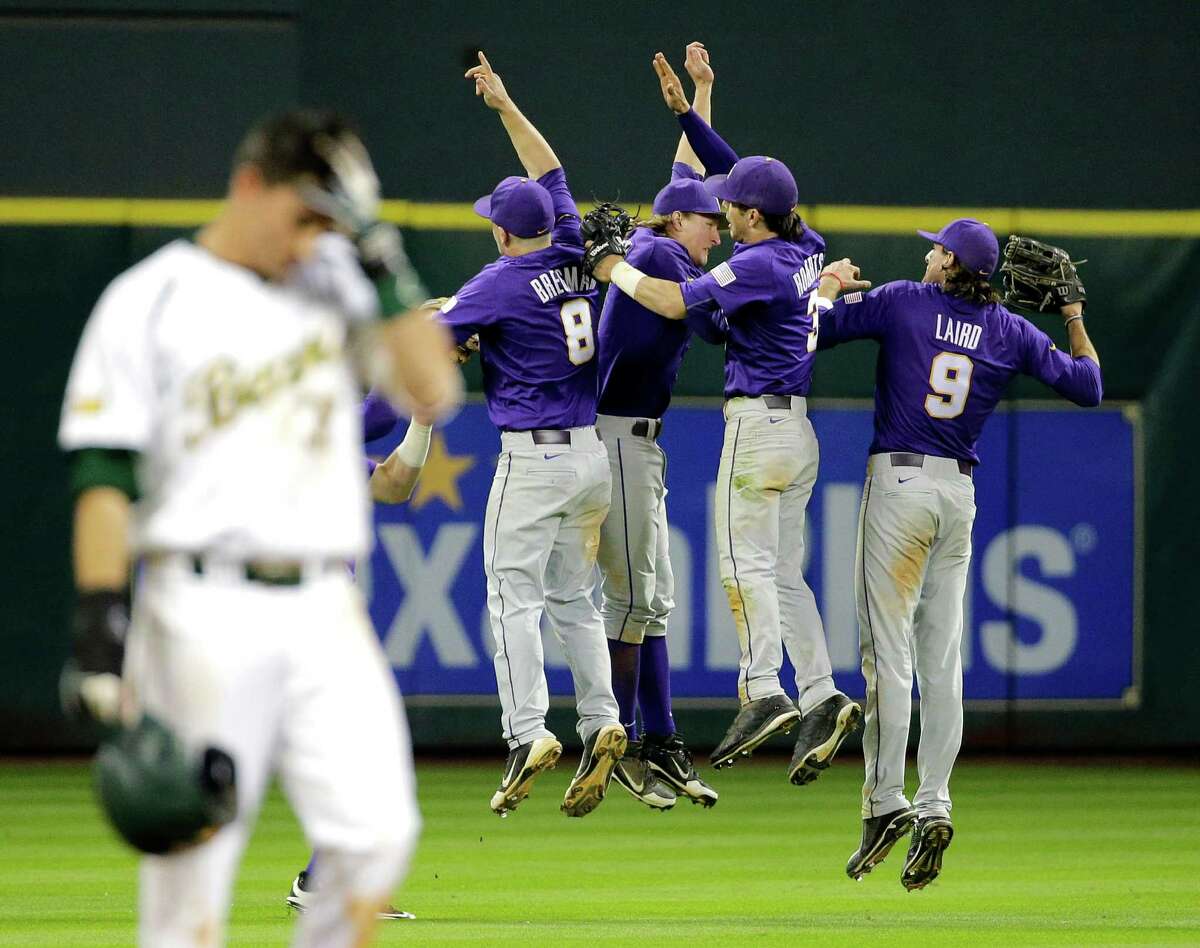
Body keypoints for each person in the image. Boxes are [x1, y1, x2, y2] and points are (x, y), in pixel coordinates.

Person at [58, 111, 460, 947]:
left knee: (377, 834)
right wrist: (101, 621)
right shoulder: (150, 299)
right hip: (199, 605)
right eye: (303, 215)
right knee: (189, 878)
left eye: (329, 220)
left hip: (324, 606)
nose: (313, 237)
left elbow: (433, 388)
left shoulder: (340, 285)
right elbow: (102, 477)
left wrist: (380, 251)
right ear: (249, 186)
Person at [591, 54, 862, 787]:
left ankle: (761, 691)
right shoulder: (806, 249)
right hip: (798, 431)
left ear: (749, 217)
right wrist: (689, 112)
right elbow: (738, 173)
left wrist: (612, 267)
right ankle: (820, 693)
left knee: (744, 568)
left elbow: (678, 304)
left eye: (730, 210)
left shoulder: (759, 264)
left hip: (758, 429)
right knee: (785, 574)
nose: (724, 215)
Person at [815, 219, 1102, 889]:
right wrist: (1073, 313)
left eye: (936, 247)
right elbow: (1088, 385)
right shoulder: (1011, 331)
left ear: (949, 263)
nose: (926, 253)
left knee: (888, 654)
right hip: (957, 496)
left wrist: (826, 285)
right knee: (941, 659)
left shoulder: (905, 300)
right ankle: (936, 802)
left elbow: (815, 331)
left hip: (901, 484)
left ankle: (886, 802)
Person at [439, 52, 626, 818]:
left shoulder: (498, 282)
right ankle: (603, 719)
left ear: (503, 233)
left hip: (534, 459)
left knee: (510, 597)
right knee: (574, 600)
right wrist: (507, 105)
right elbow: (550, 170)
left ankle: (526, 733)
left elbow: (436, 342)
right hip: (591, 457)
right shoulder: (577, 249)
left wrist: (439, 322)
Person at [597, 42, 723, 812]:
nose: (718, 226)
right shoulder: (662, 257)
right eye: (708, 219)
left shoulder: (660, 240)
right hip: (613, 434)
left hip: (633, 438)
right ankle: (618, 739)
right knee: (635, 599)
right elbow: (710, 311)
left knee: (653, 599)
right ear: (677, 222)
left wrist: (700, 98)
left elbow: (690, 176)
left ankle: (658, 740)